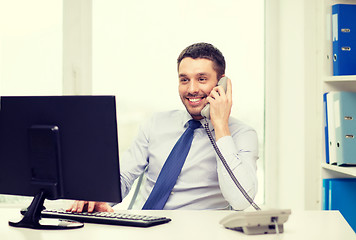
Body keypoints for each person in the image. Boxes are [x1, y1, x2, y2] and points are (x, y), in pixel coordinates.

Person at [68, 42, 259, 212]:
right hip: (145, 228)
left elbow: (241, 200)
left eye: (201, 79)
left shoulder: (243, 134)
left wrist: (220, 127)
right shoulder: (155, 124)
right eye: (184, 79)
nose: (192, 89)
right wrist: (99, 196)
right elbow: (124, 175)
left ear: (221, 84)